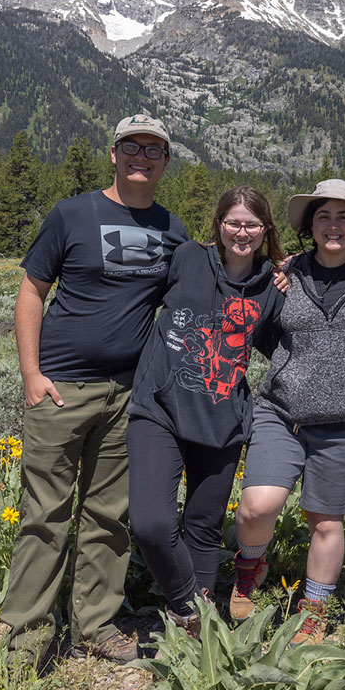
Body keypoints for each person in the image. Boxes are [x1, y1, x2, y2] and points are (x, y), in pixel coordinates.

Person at [1, 114, 188, 667]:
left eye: (153, 150)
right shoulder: (73, 214)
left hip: (128, 395)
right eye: (131, 146)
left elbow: (210, 280)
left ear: (164, 163)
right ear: (114, 153)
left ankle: (95, 625)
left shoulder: (172, 230)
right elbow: (32, 291)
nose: (141, 156)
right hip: (60, 389)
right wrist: (31, 376)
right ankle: (28, 634)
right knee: (45, 513)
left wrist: (279, 270)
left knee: (109, 515)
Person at [229, 179, 345, 645]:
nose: (333, 225)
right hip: (282, 410)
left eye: (344, 216)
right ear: (310, 225)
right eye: (324, 216)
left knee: (326, 520)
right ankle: (249, 566)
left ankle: (313, 608)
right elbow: (260, 326)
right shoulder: (286, 272)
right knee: (257, 506)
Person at [125, 186, 286, 637]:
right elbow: (138, 299)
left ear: (264, 230)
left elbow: (282, 343)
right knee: (152, 522)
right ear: (218, 224)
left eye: (252, 224)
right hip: (160, 406)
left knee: (202, 528)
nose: (242, 231)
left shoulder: (273, 284)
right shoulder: (188, 258)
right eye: (233, 222)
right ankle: (188, 607)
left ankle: (198, 635)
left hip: (223, 419)